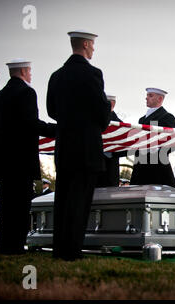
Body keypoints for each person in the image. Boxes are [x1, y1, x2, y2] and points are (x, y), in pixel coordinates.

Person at [47, 30, 111, 260]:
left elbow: (51, 110)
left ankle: (59, 248)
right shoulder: (92, 73)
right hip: (86, 147)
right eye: (92, 45)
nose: (94, 49)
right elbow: (101, 110)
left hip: (64, 146)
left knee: (63, 199)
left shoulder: (57, 75)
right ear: (85, 44)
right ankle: (72, 250)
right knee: (80, 201)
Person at [0, 59, 56, 254]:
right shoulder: (27, 92)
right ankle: (16, 245)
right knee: (21, 204)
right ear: (22, 71)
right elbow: (31, 123)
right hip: (21, 158)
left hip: (4, 159)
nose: (31, 74)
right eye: (29, 71)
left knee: (6, 203)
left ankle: (5, 244)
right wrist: (56, 130)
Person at [130, 88, 175, 186]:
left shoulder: (167, 117)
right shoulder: (142, 119)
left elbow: (170, 143)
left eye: (150, 95)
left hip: (157, 168)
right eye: (147, 95)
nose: (146, 98)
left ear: (160, 99)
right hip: (140, 168)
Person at [96, 95, 123, 187]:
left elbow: (124, 147)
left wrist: (110, 153)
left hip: (109, 169)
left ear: (111, 104)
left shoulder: (120, 125)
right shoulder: (95, 121)